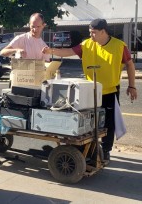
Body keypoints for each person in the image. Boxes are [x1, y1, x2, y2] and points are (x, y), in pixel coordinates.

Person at [42, 18, 137, 162]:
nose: (91, 35)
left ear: (103, 32)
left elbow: (130, 65)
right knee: (88, 123)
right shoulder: (87, 45)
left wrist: (132, 86)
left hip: (109, 91)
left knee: (108, 123)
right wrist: (51, 51)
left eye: (93, 32)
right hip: (89, 91)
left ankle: (105, 150)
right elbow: (69, 51)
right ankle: (90, 149)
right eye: (90, 32)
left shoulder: (119, 46)